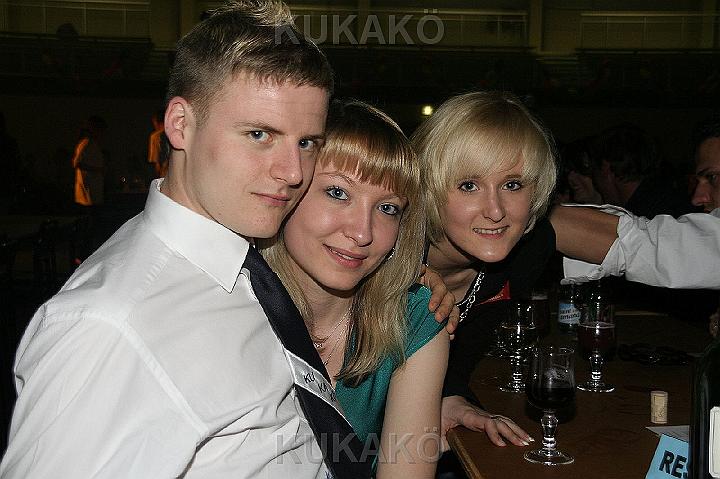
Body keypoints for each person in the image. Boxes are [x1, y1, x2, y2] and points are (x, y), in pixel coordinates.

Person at [0, 2, 339, 477]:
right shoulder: (109, 327)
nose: (293, 172)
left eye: (307, 143)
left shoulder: (246, 251)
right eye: (260, 134)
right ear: (180, 125)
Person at [261, 100, 448, 476]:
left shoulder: (414, 319)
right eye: (337, 193)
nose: (362, 233)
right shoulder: (233, 302)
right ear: (288, 191)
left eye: (388, 208)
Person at [411, 91, 558, 450]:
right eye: (469, 186)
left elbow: (465, 351)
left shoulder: (530, 251)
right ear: (428, 189)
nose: (495, 211)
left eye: (512, 185)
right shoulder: (382, 250)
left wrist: (453, 398)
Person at [553, 112, 720, 290]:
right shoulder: (654, 200)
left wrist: (539, 213)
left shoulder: (664, 208)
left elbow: (638, 245)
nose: (697, 198)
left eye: (712, 177)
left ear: (606, 169)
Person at [72, 115, 107, 208]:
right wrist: (98, 170)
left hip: (94, 190)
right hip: (88, 192)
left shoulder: (93, 144)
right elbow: (77, 163)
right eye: (100, 129)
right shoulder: (86, 143)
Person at [147, 109, 167, 178]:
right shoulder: (174, 133)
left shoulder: (155, 136)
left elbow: (154, 158)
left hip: (163, 169)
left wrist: (158, 166)